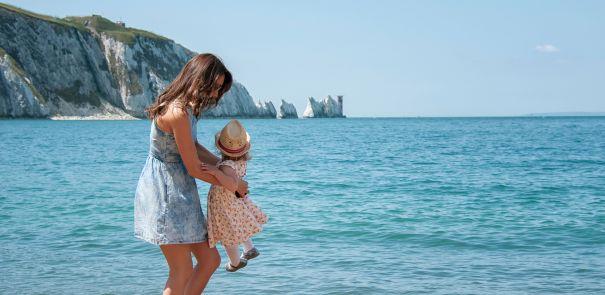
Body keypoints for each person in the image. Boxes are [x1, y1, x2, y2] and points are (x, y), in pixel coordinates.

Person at [134, 53, 249, 294]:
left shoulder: (187, 108)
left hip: (181, 191)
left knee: (210, 261)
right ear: (199, 79)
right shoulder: (177, 111)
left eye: (219, 88)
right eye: (215, 87)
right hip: (166, 194)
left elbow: (192, 146)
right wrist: (233, 184)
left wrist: (222, 164)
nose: (216, 94)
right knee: (181, 271)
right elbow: (194, 168)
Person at [203, 119, 268, 272]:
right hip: (233, 201)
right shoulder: (241, 162)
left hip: (224, 203)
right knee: (236, 225)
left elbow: (231, 184)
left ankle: (235, 262)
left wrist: (216, 172)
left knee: (228, 232)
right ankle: (249, 248)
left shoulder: (226, 166)